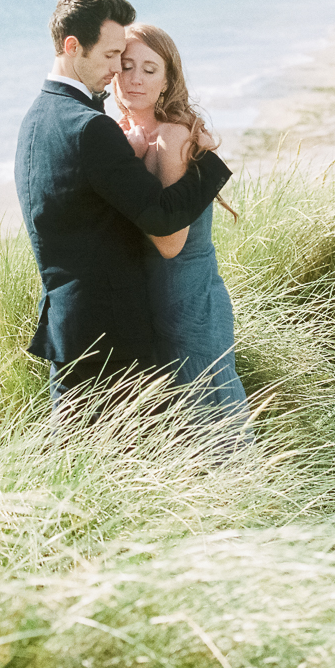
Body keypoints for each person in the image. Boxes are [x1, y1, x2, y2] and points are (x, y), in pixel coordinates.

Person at [15, 0, 232, 412]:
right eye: (115, 57)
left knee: (85, 467)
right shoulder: (92, 128)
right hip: (106, 332)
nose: (120, 72)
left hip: (72, 323)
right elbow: (162, 220)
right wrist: (210, 166)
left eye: (143, 67)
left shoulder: (38, 114)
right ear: (74, 46)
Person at [112, 23, 251, 428]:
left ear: (167, 80)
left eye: (150, 69)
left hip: (188, 301)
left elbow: (171, 242)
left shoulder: (169, 138)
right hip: (155, 299)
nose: (135, 78)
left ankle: (246, 491)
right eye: (126, 65)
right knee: (180, 428)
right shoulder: (132, 135)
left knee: (214, 420)